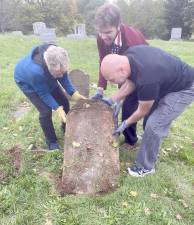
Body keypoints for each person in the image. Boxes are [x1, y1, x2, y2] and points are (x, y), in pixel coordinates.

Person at [100, 45, 194, 177]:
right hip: (165, 81)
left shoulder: (147, 79)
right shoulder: (129, 56)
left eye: (111, 79)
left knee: (154, 125)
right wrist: (110, 100)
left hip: (183, 88)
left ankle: (145, 167)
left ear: (121, 69)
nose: (110, 82)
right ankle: (149, 143)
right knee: (151, 124)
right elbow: (131, 82)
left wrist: (125, 124)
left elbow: (143, 110)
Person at [92, 3, 148, 150]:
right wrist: (100, 88)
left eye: (108, 32)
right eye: (100, 32)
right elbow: (103, 61)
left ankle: (131, 141)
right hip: (121, 69)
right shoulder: (102, 37)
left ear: (118, 25)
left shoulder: (132, 41)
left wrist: (120, 97)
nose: (103, 36)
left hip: (142, 72)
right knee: (122, 100)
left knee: (130, 104)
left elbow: (134, 76)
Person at [14, 44, 86, 151]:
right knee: (45, 111)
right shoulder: (35, 72)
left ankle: (65, 126)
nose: (61, 76)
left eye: (62, 72)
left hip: (46, 75)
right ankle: (51, 141)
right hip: (28, 83)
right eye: (58, 74)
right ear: (49, 67)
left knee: (64, 102)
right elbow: (44, 93)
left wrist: (73, 92)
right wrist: (57, 108)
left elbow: (63, 77)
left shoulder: (58, 55)